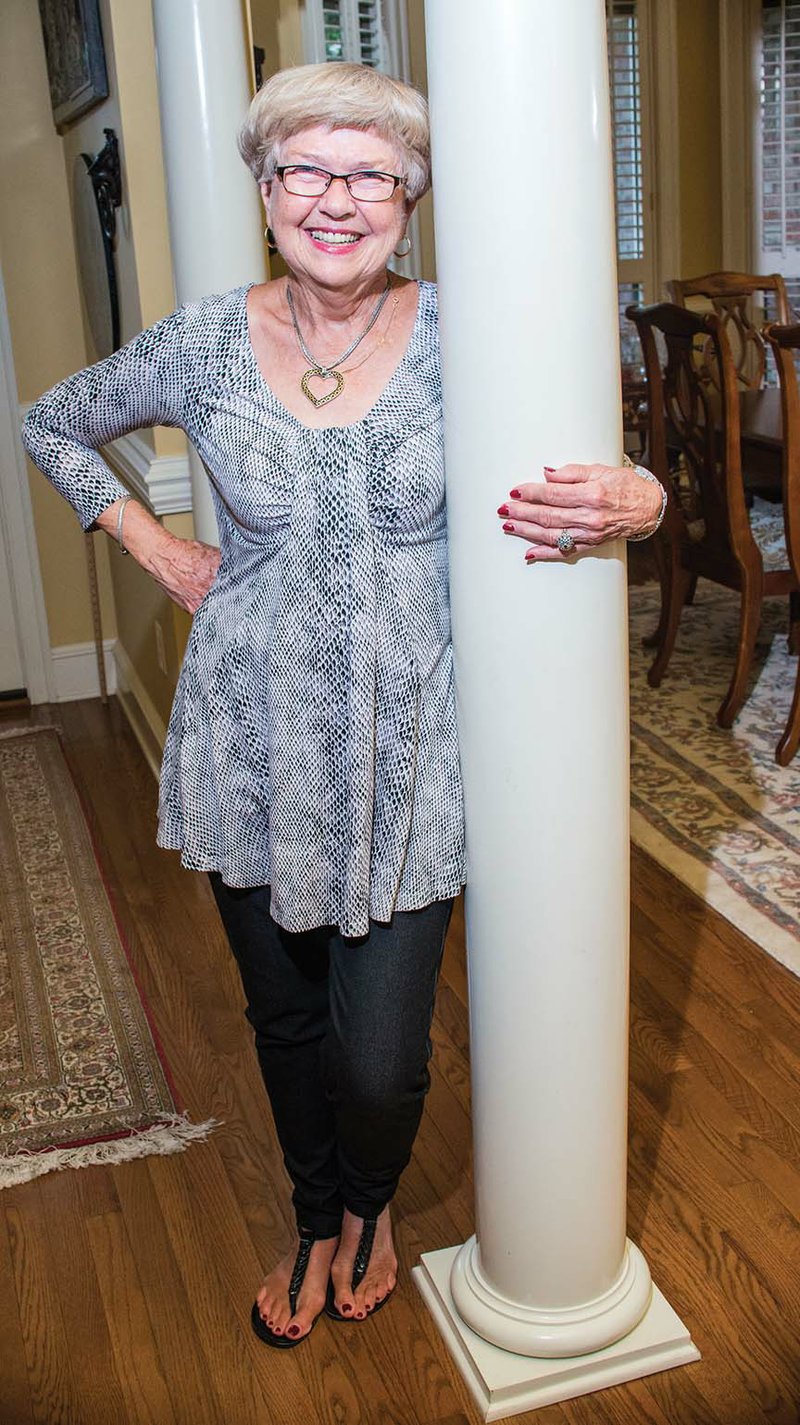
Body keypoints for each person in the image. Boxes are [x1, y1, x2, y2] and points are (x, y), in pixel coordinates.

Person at [22, 61, 665, 1349]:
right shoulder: (204, 341)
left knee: (379, 1054)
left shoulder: (468, 327)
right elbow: (50, 421)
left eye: (372, 174)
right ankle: (321, 1217)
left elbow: (600, 454)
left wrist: (638, 498)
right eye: (307, 170)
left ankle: (367, 1195)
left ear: (409, 199)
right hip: (246, 735)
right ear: (266, 191)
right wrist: (159, 552)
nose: (338, 199)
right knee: (283, 1014)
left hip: (410, 742)